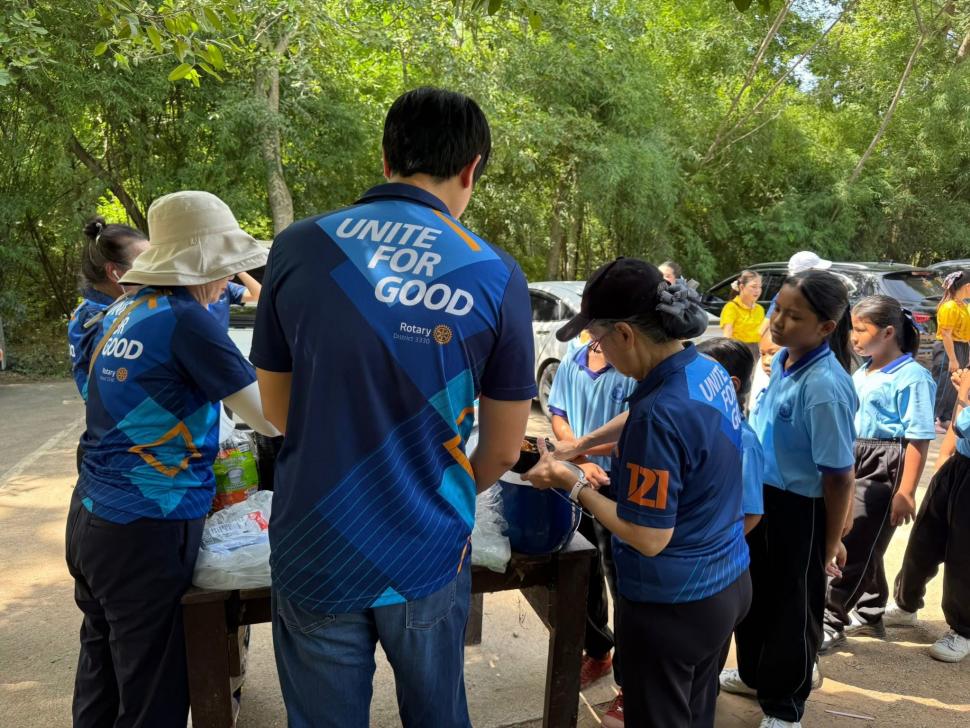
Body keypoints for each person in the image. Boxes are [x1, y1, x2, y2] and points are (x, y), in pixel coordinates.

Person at [250, 87, 536, 728]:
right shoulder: (494, 273)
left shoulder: (297, 247)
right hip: (426, 546)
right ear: (471, 169)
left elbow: (277, 409)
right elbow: (501, 450)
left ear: (386, 159)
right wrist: (429, 486)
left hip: (315, 541)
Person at [65, 190, 279, 728]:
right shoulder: (188, 320)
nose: (225, 279)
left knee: (102, 669)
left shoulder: (124, 308)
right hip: (147, 526)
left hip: (91, 515)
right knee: (153, 693)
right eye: (223, 264)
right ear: (201, 263)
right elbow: (271, 419)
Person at [525, 258, 752, 728]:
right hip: (726, 582)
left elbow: (648, 536)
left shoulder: (658, 416)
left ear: (626, 334)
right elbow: (646, 413)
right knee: (694, 713)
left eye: (599, 340)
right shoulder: (702, 368)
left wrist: (571, 481)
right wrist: (581, 445)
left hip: (673, 605)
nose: (599, 351)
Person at [721, 270, 858, 728]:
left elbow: (838, 476)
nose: (778, 321)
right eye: (777, 308)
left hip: (799, 509)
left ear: (826, 327)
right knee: (753, 594)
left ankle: (785, 707)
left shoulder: (824, 387)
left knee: (792, 608)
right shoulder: (782, 360)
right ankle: (755, 675)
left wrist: (830, 541)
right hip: (760, 496)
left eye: (794, 316)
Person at [819, 296, 935, 654]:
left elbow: (918, 438)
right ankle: (870, 610)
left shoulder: (912, 377)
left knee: (856, 542)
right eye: (852, 328)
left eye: (861, 329)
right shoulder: (864, 369)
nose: (853, 337)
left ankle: (831, 619)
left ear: (887, 333)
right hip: (855, 454)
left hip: (885, 461)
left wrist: (906, 491)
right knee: (865, 538)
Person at [546, 334, 636, 712]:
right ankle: (599, 651)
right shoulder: (575, 359)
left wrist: (580, 451)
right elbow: (559, 414)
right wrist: (580, 460)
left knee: (624, 585)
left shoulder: (631, 367)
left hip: (619, 484)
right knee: (584, 570)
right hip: (578, 479)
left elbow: (634, 431)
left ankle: (630, 686)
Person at [881, 367, 970, 663]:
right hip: (958, 466)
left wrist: (965, 392)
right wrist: (945, 457)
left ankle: (963, 629)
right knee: (924, 539)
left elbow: (965, 418)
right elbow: (960, 426)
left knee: (963, 555)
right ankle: (906, 604)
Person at [68, 217, 149, 399]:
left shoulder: (92, 309)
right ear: (114, 272)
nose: (157, 270)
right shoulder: (98, 319)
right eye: (146, 263)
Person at [931, 270, 970, 432]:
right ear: (967, 287)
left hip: (961, 346)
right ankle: (934, 418)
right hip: (948, 347)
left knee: (954, 383)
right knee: (943, 383)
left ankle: (945, 417)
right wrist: (953, 359)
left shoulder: (963, 306)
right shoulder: (949, 306)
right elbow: (946, 334)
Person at [719, 270, 765, 362]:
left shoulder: (760, 309)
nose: (757, 290)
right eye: (754, 287)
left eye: (760, 287)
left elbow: (762, 335)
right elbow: (727, 336)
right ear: (742, 287)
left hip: (757, 352)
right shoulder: (731, 307)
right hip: (738, 350)